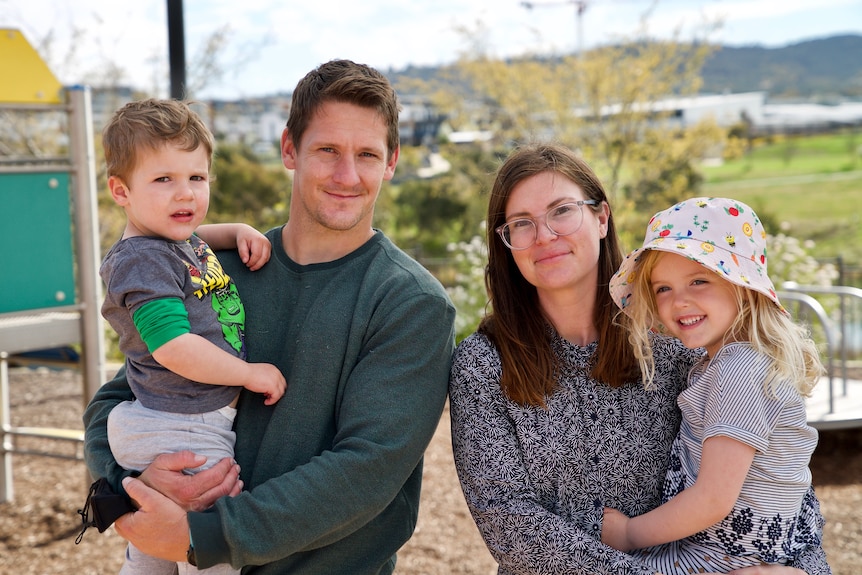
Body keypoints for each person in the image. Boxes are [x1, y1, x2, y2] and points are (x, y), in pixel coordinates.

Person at [83, 59, 456, 574]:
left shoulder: (411, 303)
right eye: (327, 150)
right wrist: (132, 486)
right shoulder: (215, 268)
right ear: (289, 149)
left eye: (366, 154)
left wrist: (208, 535)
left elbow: (366, 470)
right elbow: (121, 398)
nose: (347, 175)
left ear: (391, 161)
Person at [447, 142, 830, 574]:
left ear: (601, 217)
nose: (544, 235)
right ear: (507, 242)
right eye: (521, 223)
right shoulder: (484, 363)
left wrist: (802, 570)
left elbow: (772, 484)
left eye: (561, 211)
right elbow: (509, 521)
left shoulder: (675, 339)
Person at [98, 98, 287, 575]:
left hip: (173, 415)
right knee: (207, 551)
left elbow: (197, 236)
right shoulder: (144, 260)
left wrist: (237, 230)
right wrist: (247, 373)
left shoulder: (170, 241)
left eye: (196, 178)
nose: (185, 194)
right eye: (164, 179)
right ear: (120, 191)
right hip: (184, 424)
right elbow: (173, 347)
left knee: (152, 550)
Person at [601, 197, 823, 572]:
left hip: (722, 557)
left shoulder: (739, 371)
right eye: (663, 289)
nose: (679, 302)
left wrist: (629, 534)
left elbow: (713, 499)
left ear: (743, 286)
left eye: (699, 281)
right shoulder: (729, 362)